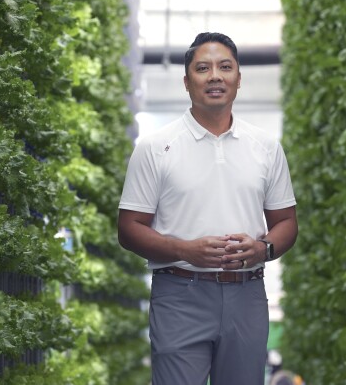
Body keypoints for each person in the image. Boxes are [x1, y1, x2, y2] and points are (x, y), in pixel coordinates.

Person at [118, 32, 298, 385]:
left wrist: (263, 249)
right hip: (179, 294)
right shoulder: (154, 147)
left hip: (247, 294)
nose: (215, 76)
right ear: (187, 82)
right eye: (203, 68)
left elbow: (287, 222)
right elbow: (129, 228)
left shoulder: (266, 147)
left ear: (238, 78)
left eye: (225, 67)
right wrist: (185, 250)